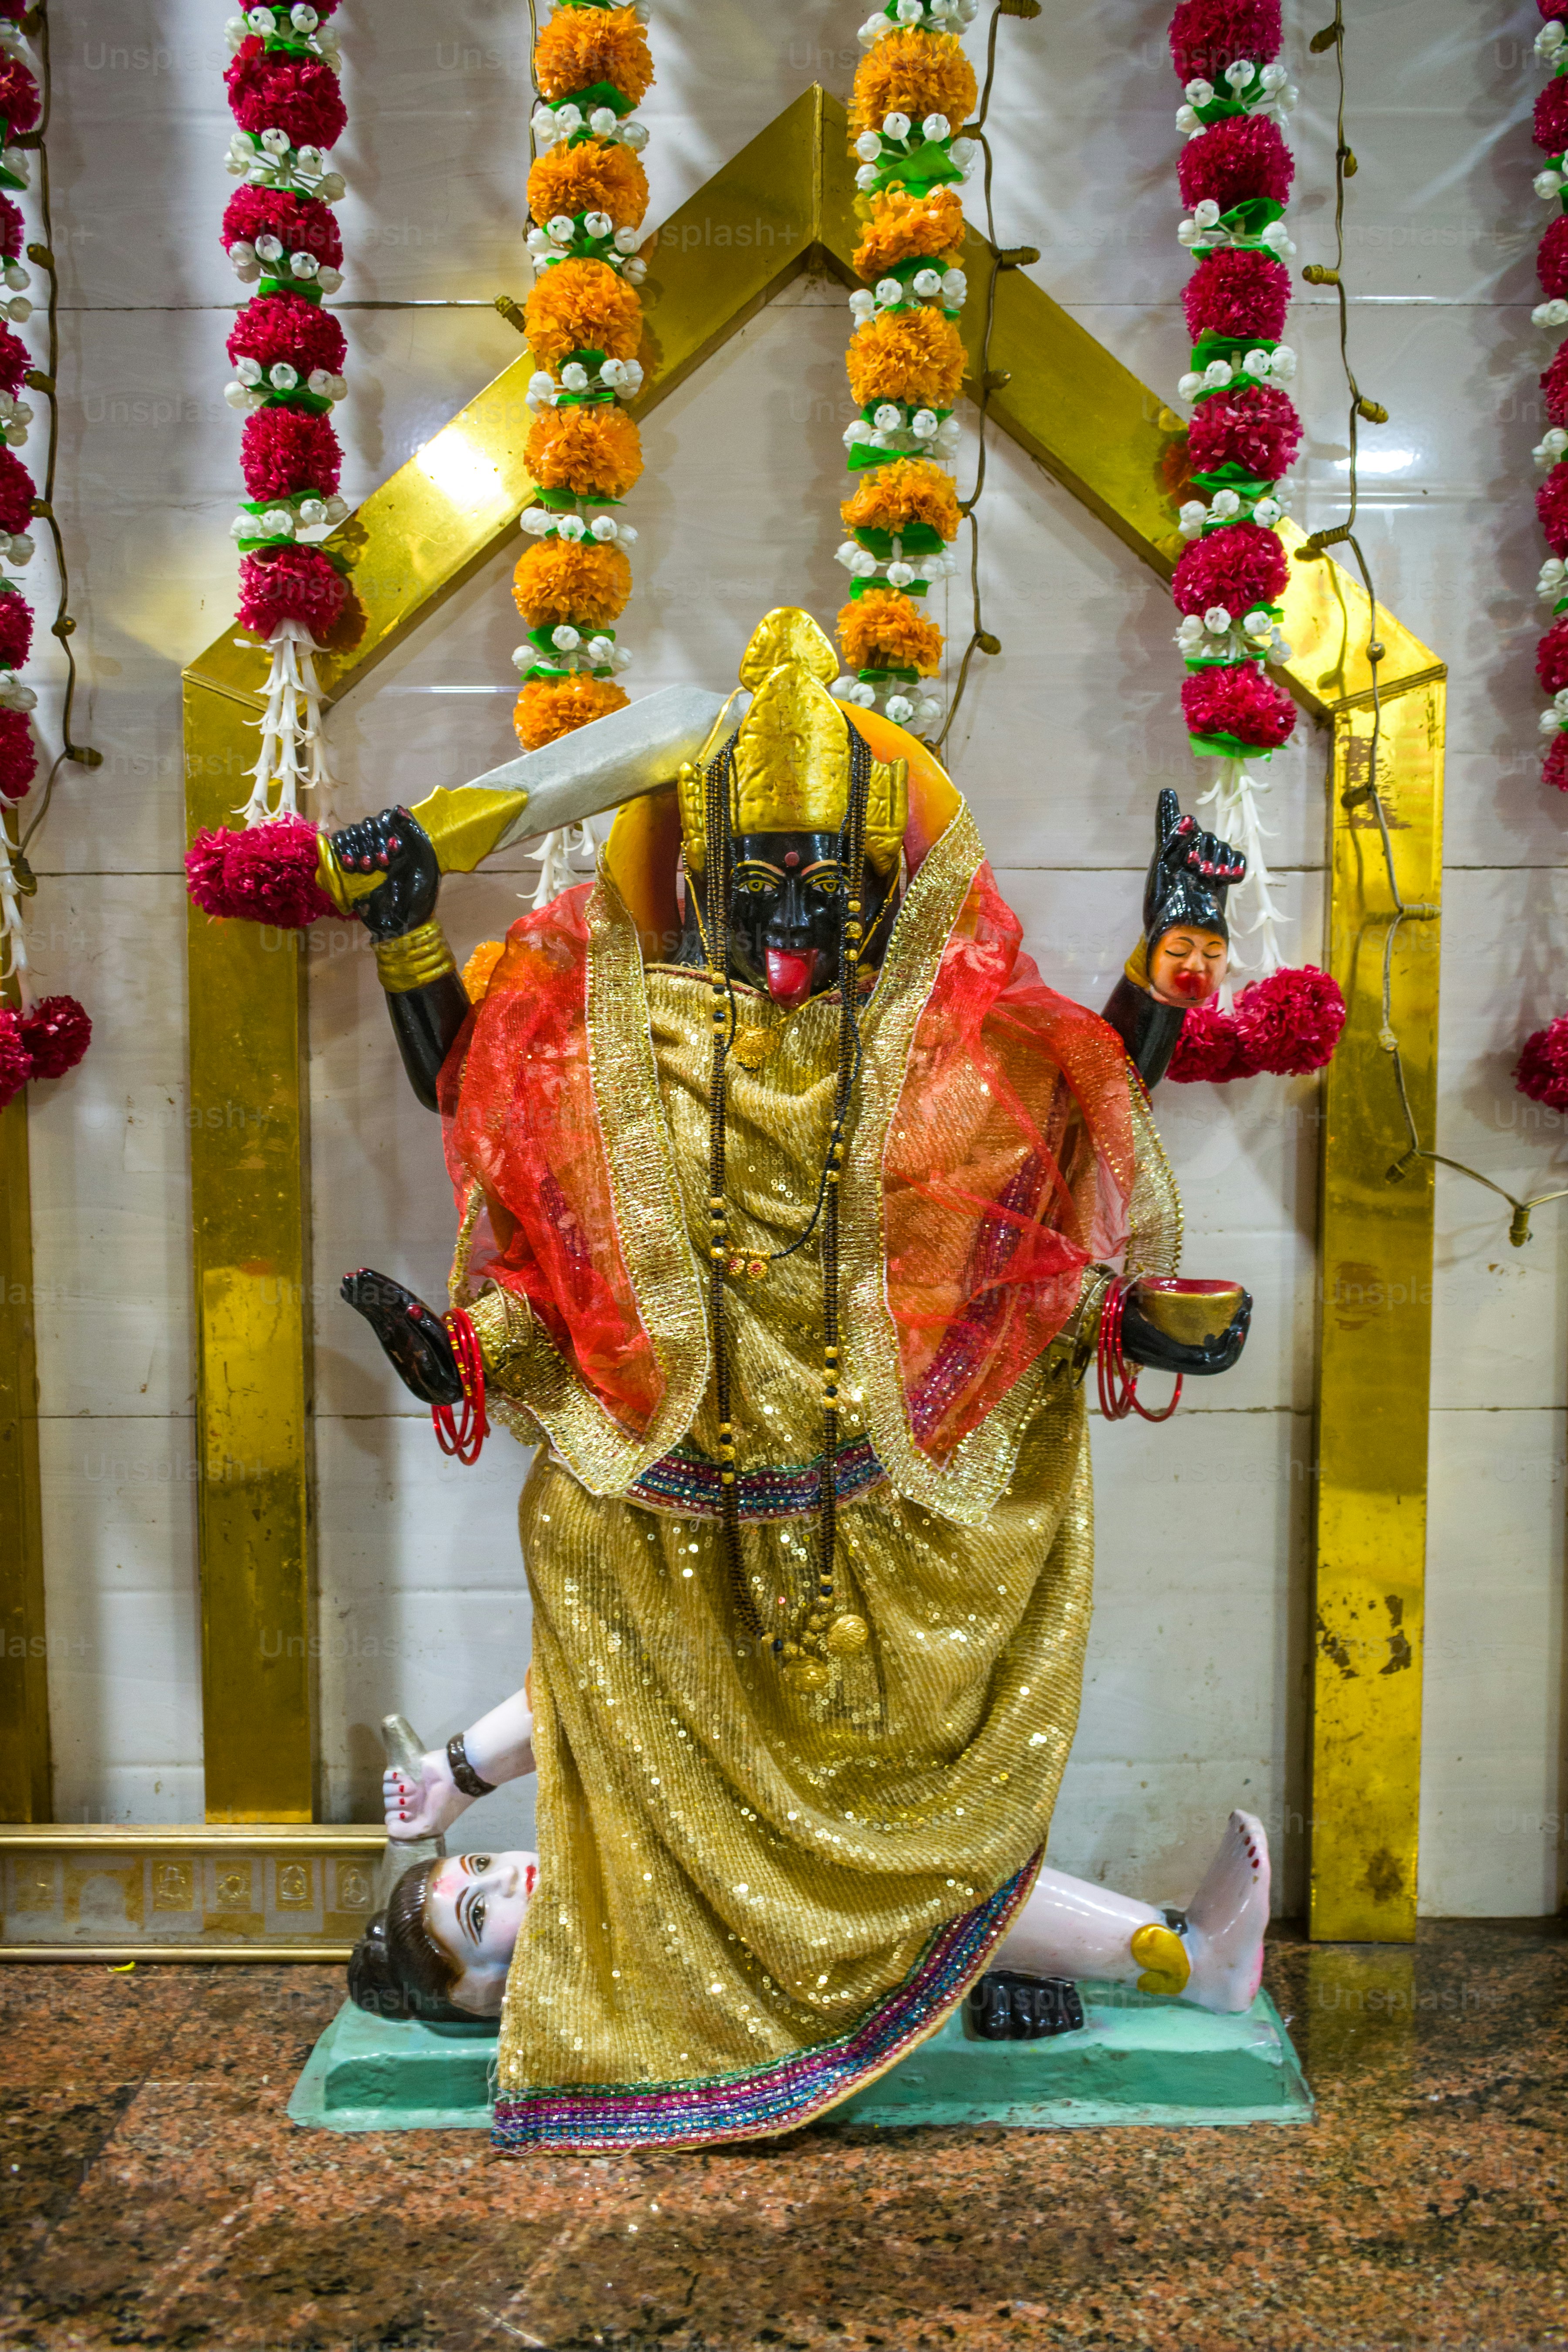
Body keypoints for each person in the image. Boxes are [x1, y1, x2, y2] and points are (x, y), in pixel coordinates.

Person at [335, 607, 1254, 2152]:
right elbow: (491, 1124)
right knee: (642, 1793)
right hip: (646, 1529)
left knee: (906, 1818)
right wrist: (405, 939)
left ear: (886, 883)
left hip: (870, 1532)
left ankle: (1133, 1955)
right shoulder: (621, 1027)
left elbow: (1061, 1137)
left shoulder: (926, 1047)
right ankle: (672, 2038)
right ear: (693, 883)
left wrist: (1169, 973)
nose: (790, 914)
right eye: (752, 881)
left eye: (826, 881)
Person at [351, 1707, 1270, 2031]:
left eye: (481, 1865)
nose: (509, 1879)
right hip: (837, 1943)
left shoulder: (597, 1870)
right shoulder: (602, 1965)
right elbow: (580, 1687)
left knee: (952, 1873)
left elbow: (583, 1703)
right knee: (944, 1891)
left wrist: (451, 1776)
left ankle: (1181, 1955)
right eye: (481, 1916)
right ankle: (1189, 1963)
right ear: (483, 1996)